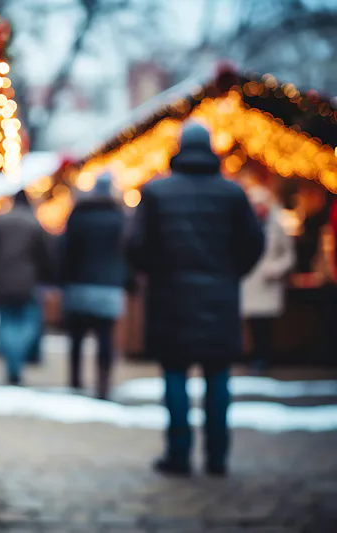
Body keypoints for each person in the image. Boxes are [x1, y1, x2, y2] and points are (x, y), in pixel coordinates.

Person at [126, 123, 265, 476]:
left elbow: (135, 245)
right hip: (220, 300)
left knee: (175, 375)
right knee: (218, 377)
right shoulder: (232, 194)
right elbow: (254, 243)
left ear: (179, 148)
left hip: (170, 300)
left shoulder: (156, 193)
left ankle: (179, 454)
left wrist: (156, 271)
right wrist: (231, 273)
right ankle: (217, 457)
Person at [61, 172, 128, 399]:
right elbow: (127, 251)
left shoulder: (79, 214)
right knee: (105, 338)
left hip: (78, 284)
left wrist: (63, 279)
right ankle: (103, 385)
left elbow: (66, 250)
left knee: (76, 338)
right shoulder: (119, 217)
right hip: (108, 286)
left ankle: (75, 380)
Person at [0, 190, 50, 385]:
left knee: (6, 322)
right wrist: (46, 277)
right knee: (26, 324)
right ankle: (16, 363)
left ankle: (12, 363)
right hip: (28, 282)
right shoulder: (34, 224)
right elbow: (45, 255)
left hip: (3, 281)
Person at [241, 184, 295, 372]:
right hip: (251, 280)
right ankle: (255, 355)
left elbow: (289, 255)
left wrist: (276, 269)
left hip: (269, 280)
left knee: (266, 323)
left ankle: (264, 356)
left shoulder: (277, 225)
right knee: (253, 322)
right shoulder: (246, 225)